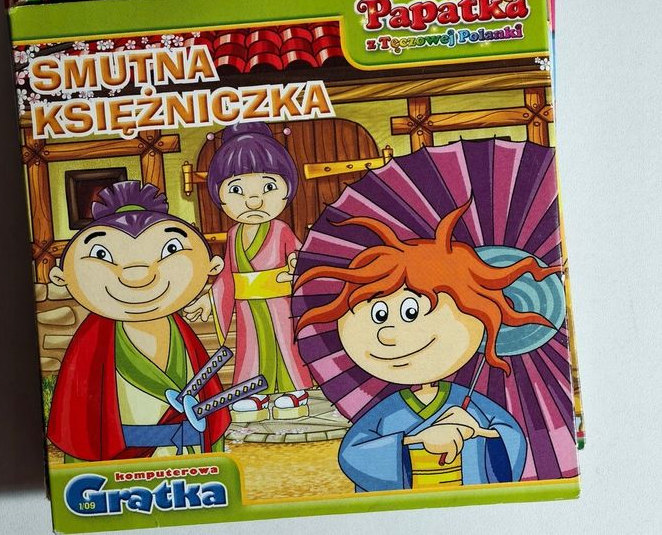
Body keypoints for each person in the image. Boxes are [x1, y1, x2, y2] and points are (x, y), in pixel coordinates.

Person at [295, 200, 561, 491]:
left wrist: (480, 432)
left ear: (479, 318)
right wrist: (415, 440)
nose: (388, 335)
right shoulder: (387, 411)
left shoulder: (472, 406)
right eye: (379, 315)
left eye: (411, 312)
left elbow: (511, 443)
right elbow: (352, 455)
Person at [47, 180, 230, 461]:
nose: (138, 276)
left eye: (170, 248)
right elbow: (79, 419)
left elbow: (210, 406)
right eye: (101, 254)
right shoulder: (89, 346)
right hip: (121, 461)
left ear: (211, 267)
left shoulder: (186, 339)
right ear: (62, 277)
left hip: (188, 458)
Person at [185, 123, 312, 421]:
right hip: (247, 306)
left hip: (280, 302)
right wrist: (209, 300)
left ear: (287, 189)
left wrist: (295, 268)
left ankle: (294, 390)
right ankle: (253, 392)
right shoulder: (233, 235)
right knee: (250, 347)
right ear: (219, 196)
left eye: (268, 188)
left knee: (284, 342)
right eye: (236, 190)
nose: (254, 201)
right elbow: (227, 277)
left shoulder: (281, 230)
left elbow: (300, 261)